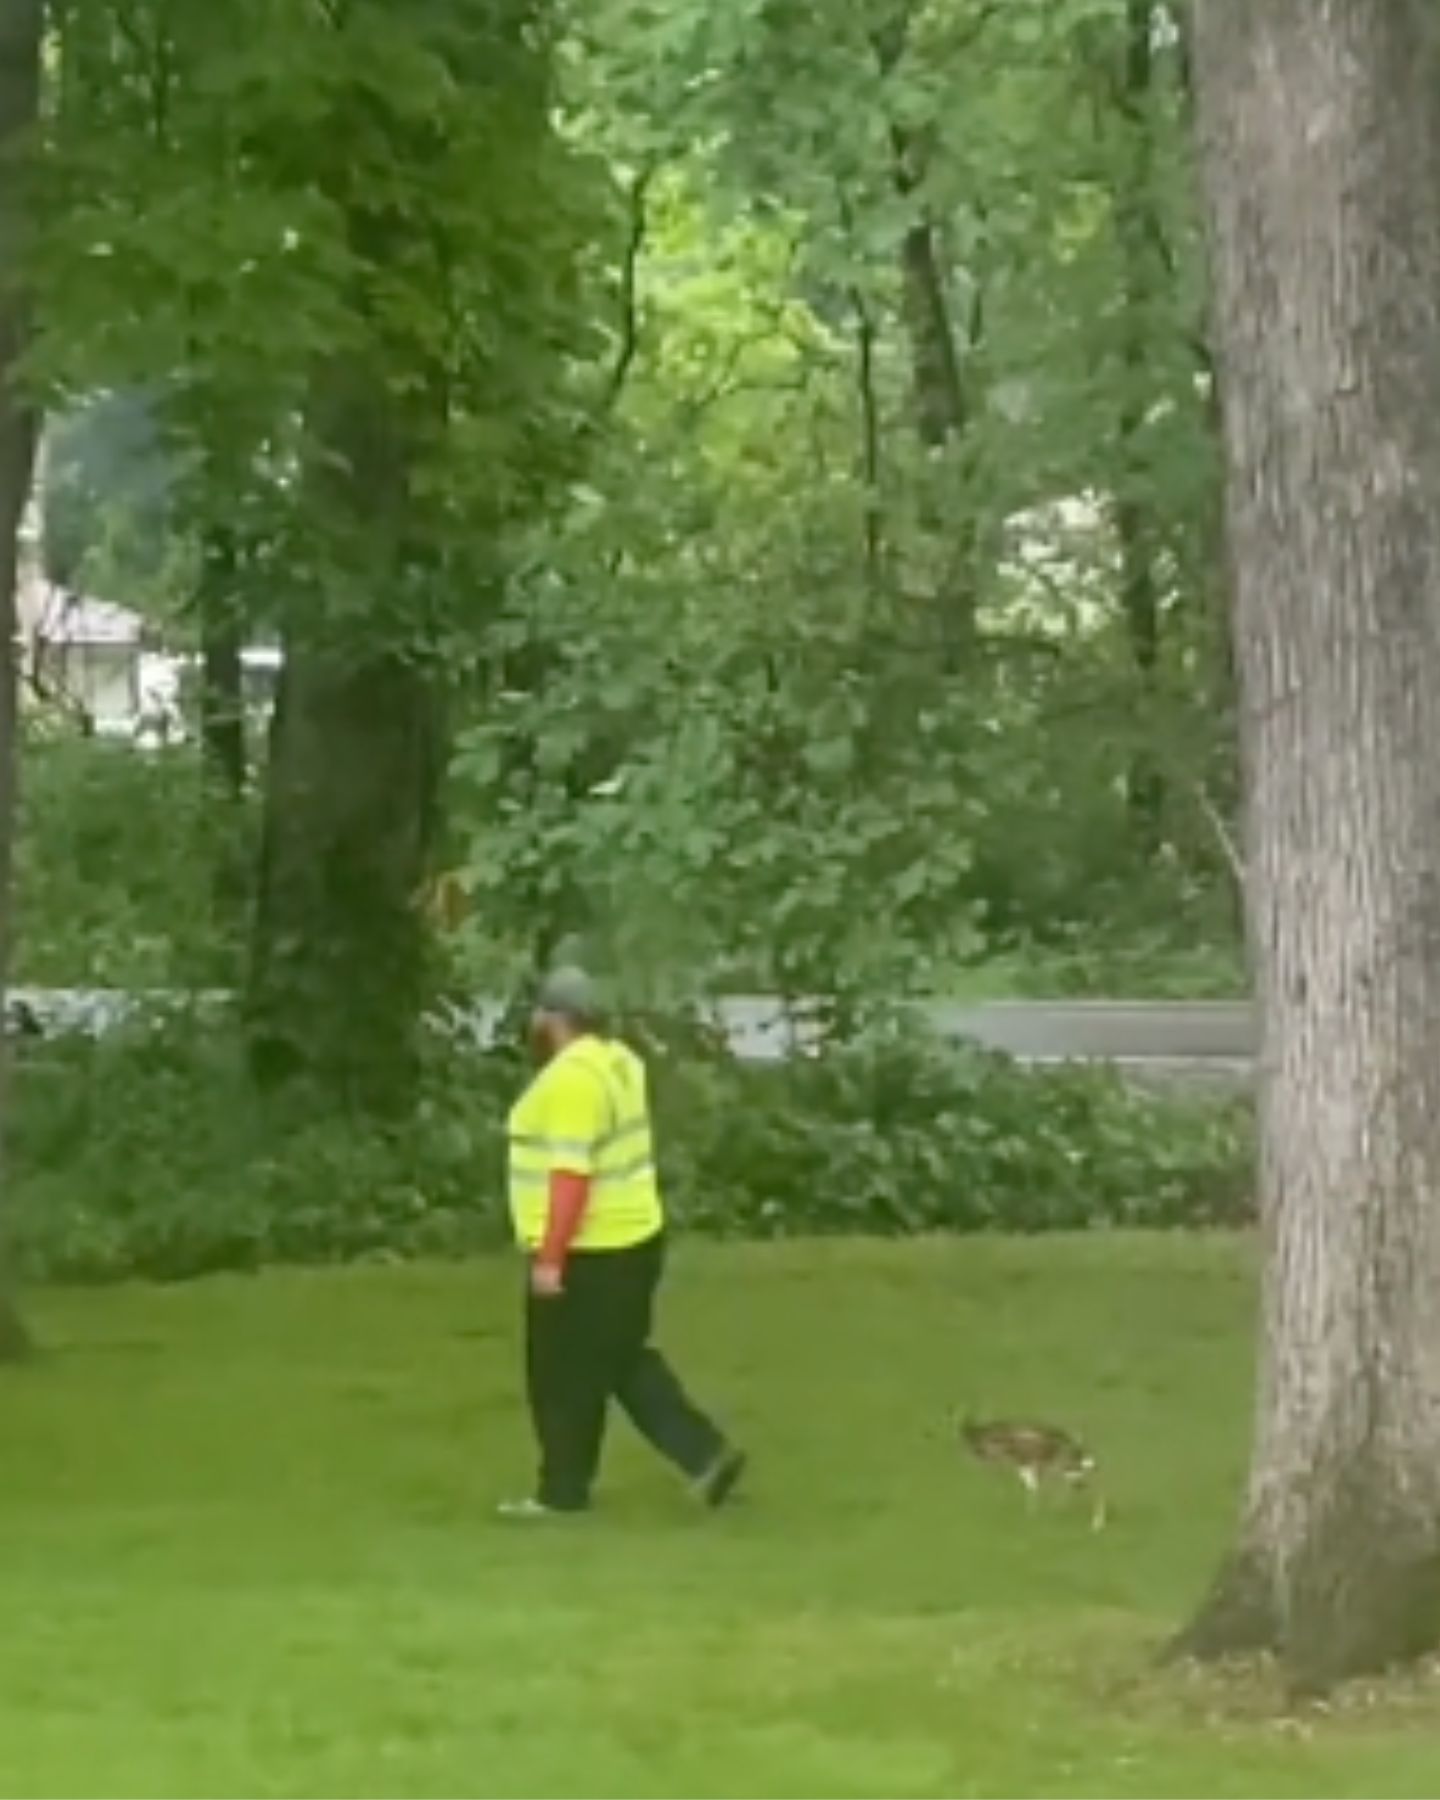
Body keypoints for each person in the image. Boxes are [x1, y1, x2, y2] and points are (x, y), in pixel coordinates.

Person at [499, 966, 746, 1518]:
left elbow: (570, 1177)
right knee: (617, 1361)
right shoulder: (620, 1064)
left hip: (590, 1250)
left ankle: (567, 1490)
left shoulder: (570, 1082)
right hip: (635, 1239)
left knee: (560, 1373)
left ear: (554, 1020)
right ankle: (699, 1459)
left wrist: (549, 1260)